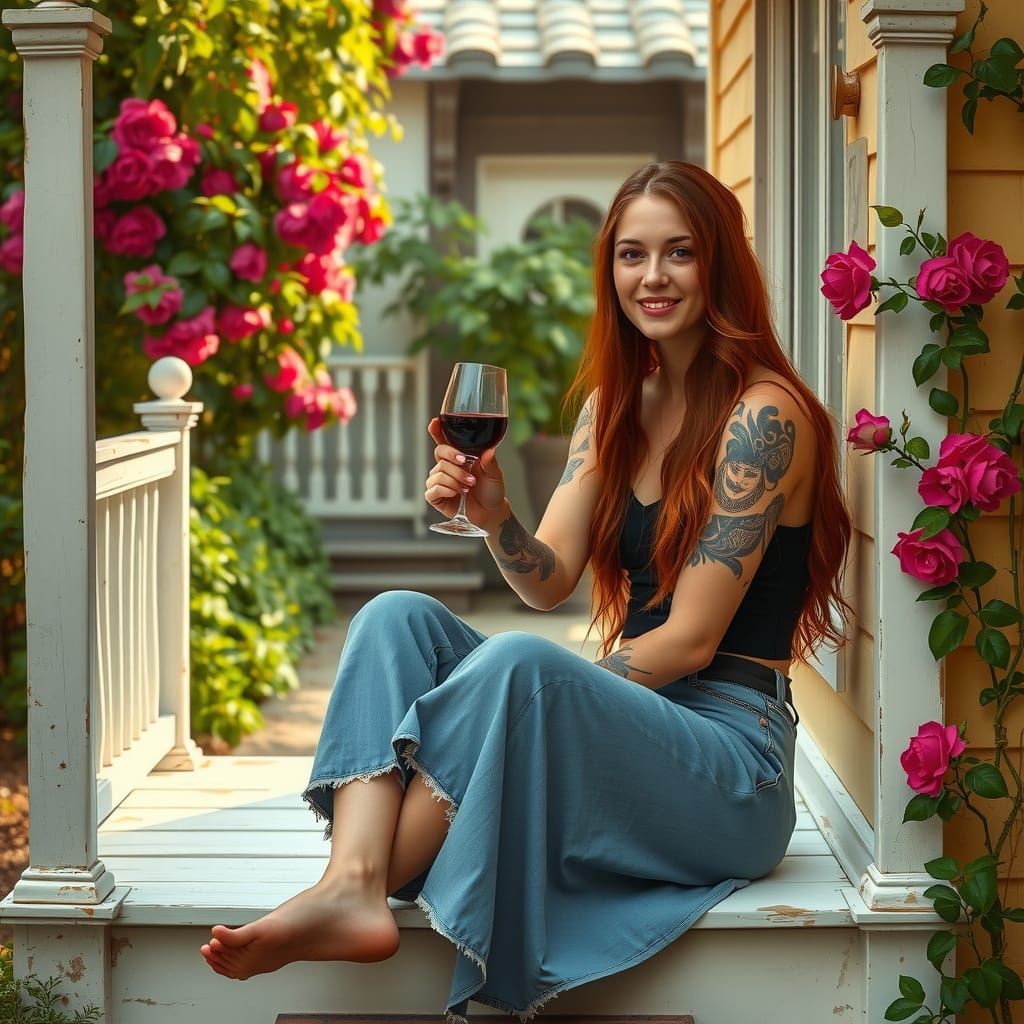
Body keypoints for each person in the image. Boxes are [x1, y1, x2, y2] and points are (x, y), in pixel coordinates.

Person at [199, 161, 852, 1021]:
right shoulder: (614, 407)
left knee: (520, 671)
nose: (652, 276)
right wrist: (495, 514)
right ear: (610, 270)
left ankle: (365, 882)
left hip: (732, 763)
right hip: (639, 731)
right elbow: (548, 581)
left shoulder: (765, 416)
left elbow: (691, 641)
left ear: (719, 264)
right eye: (631, 255)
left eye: (680, 252)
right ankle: (352, 884)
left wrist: (539, 705)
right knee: (395, 619)